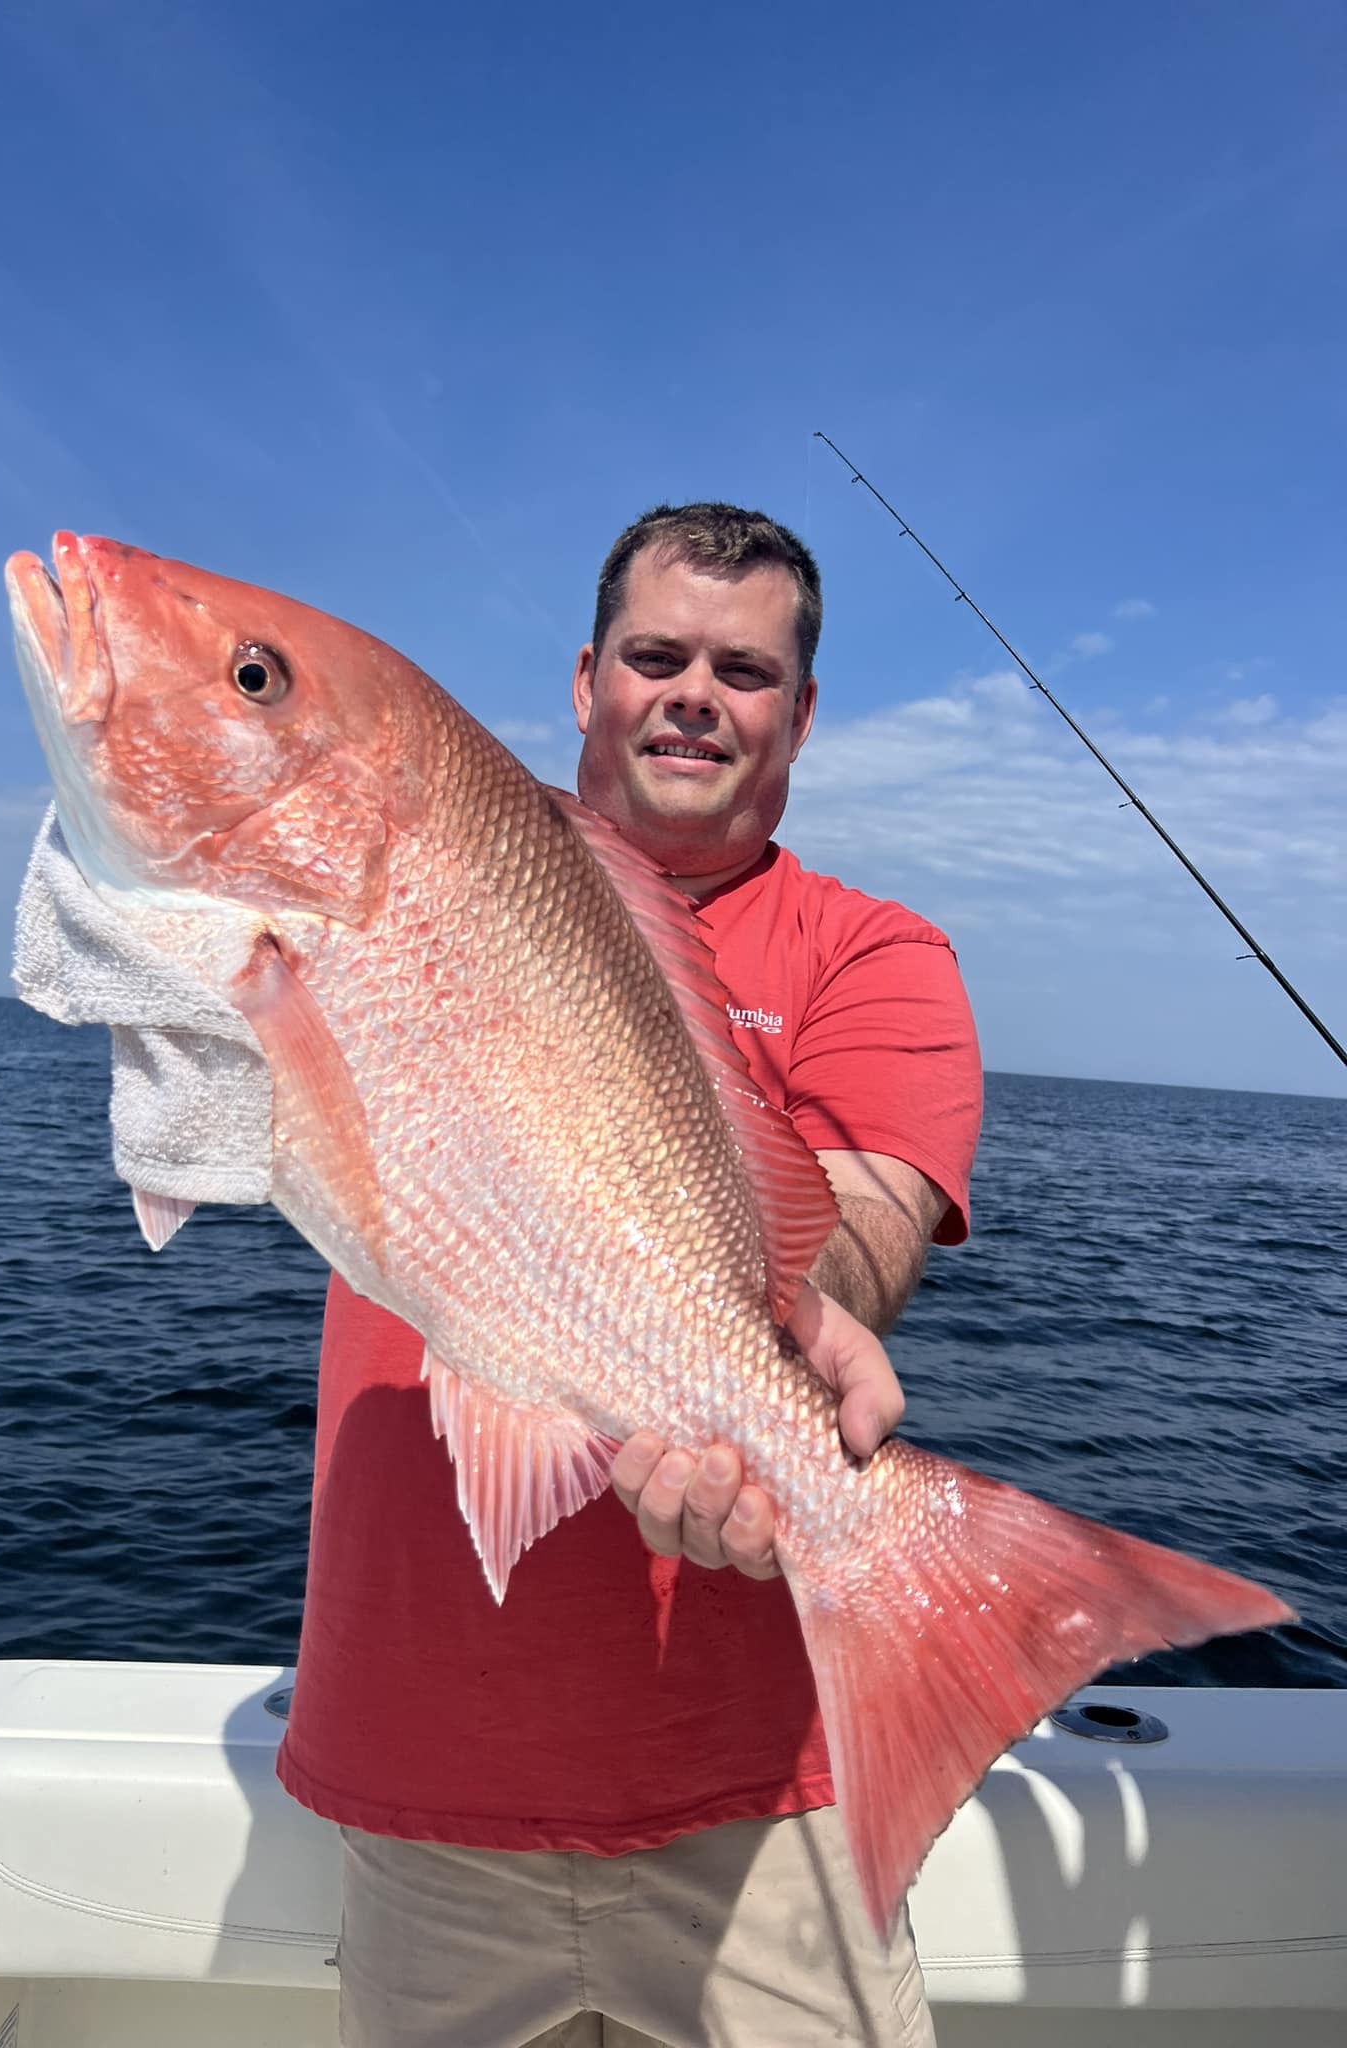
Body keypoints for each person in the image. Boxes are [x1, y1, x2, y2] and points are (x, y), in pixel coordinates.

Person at [277, 503, 983, 2047]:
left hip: (766, 1805)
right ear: (589, 677)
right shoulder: (420, 863)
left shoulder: (881, 956)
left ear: (800, 713)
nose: (692, 695)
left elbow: (864, 1224)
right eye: (657, 656)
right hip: (425, 1770)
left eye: (743, 671)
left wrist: (777, 1341)